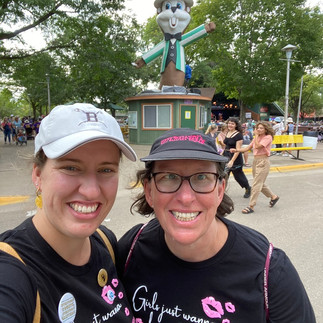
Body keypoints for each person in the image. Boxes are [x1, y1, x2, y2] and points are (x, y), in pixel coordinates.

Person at [117, 128, 315, 322]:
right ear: (149, 191)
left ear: (220, 190)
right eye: (169, 177)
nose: (186, 198)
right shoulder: (132, 249)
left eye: (202, 177)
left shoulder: (269, 273)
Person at [0, 103, 137, 322]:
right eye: (71, 168)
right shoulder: (11, 273)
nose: (91, 191)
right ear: (37, 175)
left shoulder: (105, 242)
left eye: (106, 170)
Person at [230, 121, 280, 214]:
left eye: (261, 128)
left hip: (263, 161)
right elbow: (248, 148)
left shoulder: (267, 137)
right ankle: (273, 197)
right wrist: (236, 150)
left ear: (266, 129)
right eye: (258, 128)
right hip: (256, 161)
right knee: (260, 182)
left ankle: (251, 206)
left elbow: (258, 146)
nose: (259, 130)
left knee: (256, 184)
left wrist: (256, 136)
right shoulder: (257, 137)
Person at [223, 117, 251, 198]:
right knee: (224, 175)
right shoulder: (227, 132)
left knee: (238, 176)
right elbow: (226, 145)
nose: (230, 125)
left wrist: (232, 161)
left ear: (236, 125)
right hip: (226, 156)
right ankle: (222, 192)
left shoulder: (238, 135)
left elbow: (238, 150)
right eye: (229, 123)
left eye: (232, 123)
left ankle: (248, 188)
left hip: (235, 158)